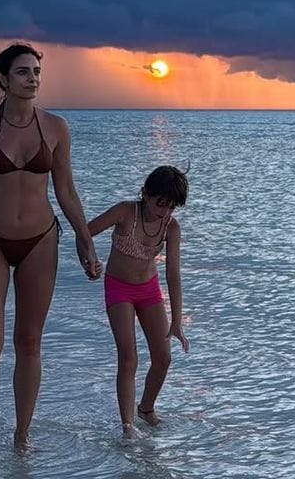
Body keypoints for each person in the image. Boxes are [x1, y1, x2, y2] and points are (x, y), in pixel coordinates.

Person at [0, 43, 102, 466]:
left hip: (41, 240)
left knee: (30, 342)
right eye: (24, 72)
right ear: (3, 79)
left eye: (36, 72)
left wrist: (86, 242)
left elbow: (66, 190)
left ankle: (22, 436)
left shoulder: (56, 127)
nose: (33, 79)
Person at [88, 165, 189, 435]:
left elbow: (173, 274)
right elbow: (86, 232)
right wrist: (91, 261)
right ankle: (127, 425)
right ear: (145, 193)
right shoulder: (125, 212)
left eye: (172, 207)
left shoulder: (171, 227)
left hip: (149, 289)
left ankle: (145, 409)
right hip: (118, 288)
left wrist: (177, 319)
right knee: (129, 357)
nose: (165, 212)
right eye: (161, 204)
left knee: (164, 357)